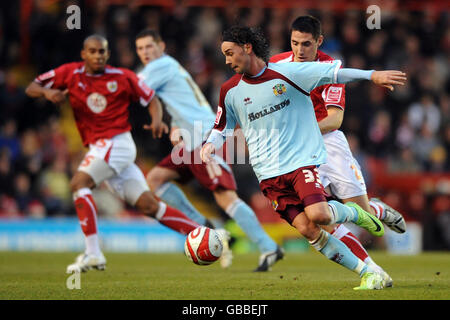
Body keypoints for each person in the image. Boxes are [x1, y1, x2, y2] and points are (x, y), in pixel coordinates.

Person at [201, 26, 406, 290]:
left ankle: (357, 211)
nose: (227, 61)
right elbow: (222, 127)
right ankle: (369, 272)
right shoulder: (229, 90)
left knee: (320, 215)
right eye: (225, 55)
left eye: (230, 53)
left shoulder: (288, 72)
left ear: (247, 47)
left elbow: (335, 75)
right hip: (268, 175)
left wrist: (371, 75)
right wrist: (209, 145)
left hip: (303, 160)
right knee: (311, 230)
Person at [25, 35, 204, 273]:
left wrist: (157, 120)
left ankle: (93, 253)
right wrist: (48, 94)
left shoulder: (121, 77)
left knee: (79, 183)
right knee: (149, 206)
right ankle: (203, 234)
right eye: (93, 51)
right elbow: (32, 87)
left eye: (102, 51)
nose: (98, 55)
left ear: (108, 54)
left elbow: (152, 99)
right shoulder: (70, 74)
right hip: (102, 148)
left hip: (116, 142)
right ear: (83, 54)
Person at [269, 15, 408, 286]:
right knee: (319, 217)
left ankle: (375, 210)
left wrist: (297, 129)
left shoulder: (331, 69)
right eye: (295, 43)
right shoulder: (276, 64)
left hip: (329, 143)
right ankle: (372, 270)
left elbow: (334, 119)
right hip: (297, 152)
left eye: (306, 44)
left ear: (319, 41)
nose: (299, 50)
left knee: (362, 215)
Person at [135, 29, 283, 272]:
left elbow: (132, 87)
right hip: (190, 137)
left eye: (149, 47)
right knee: (156, 178)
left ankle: (268, 246)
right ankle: (206, 226)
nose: (145, 53)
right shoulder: (168, 70)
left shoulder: (161, 66)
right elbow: (182, 104)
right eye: (140, 49)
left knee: (225, 198)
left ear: (161, 47)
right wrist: (174, 128)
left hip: (204, 136)